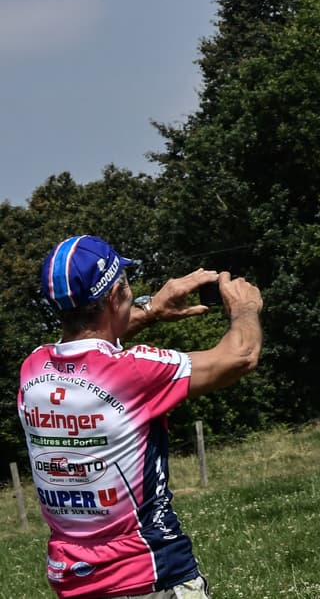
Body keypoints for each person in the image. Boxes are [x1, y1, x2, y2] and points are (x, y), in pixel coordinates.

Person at [17, 234, 263, 599]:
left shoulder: (33, 371)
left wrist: (152, 310)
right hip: (150, 574)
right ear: (116, 295)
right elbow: (240, 356)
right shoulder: (134, 373)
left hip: (74, 583)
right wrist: (244, 308)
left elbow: (87, 347)